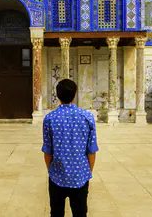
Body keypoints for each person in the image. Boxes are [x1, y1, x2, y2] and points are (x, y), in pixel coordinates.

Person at [42, 79, 98, 217]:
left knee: (56, 213)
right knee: (80, 213)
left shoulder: (50, 118)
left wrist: (51, 169)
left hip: (57, 175)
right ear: (75, 94)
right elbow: (91, 150)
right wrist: (87, 171)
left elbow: (47, 151)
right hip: (80, 175)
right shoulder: (87, 117)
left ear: (57, 95)